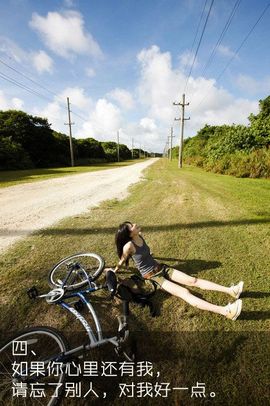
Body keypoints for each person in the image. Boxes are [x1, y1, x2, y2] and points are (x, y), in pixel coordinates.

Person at [114, 221, 243, 321]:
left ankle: (231, 291)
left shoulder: (140, 236)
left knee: (193, 280)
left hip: (161, 267)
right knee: (184, 292)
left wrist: (149, 256)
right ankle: (226, 312)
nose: (134, 225)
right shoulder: (128, 246)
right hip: (152, 277)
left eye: (131, 224)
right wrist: (114, 271)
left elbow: (146, 253)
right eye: (131, 227)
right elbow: (122, 260)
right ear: (128, 234)